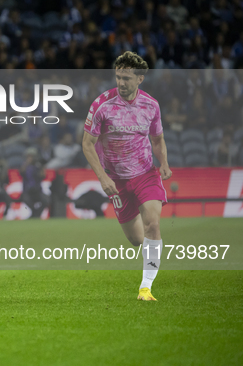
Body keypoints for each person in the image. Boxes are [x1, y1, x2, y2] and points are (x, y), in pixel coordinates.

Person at [82, 51, 172, 302]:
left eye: (127, 78)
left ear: (140, 79)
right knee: (136, 239)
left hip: (145, 174)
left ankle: (146, 288)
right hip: (116, 179)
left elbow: (157, 138)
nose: (121, 83)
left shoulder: (151, 105)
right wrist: (102, 178)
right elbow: (87, 144)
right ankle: (152, 251)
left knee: (153, 223)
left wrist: (163, 162)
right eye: (118, 77)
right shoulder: (102, 105)